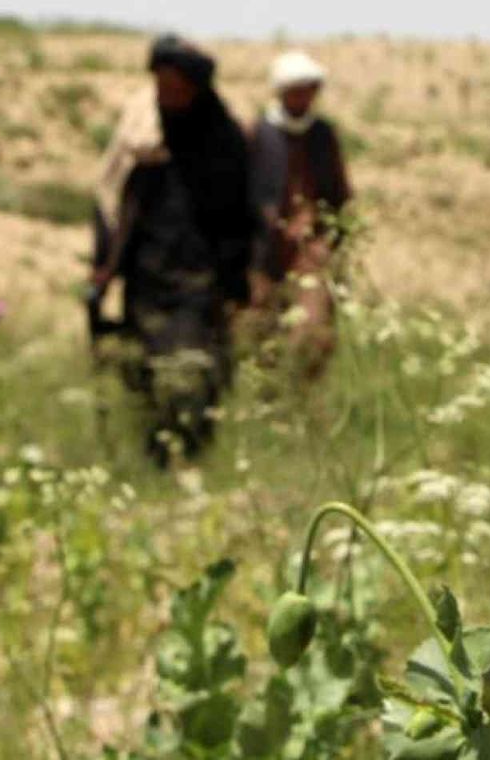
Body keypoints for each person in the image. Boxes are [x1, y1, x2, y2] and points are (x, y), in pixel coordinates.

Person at [90, 35, 256, 463]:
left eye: (176, 87)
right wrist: (105, 267)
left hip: (200, 282)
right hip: (147, 277)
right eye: (161, 85)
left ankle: (191, 462)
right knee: (144, 375)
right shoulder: (143, 140)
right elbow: (113, 203)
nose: (167, 96)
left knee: (193, 378)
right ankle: (158, 461)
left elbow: (242, 216)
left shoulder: (224, 141)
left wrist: (235, 280)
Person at [246, 50, 353, 377]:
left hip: (311, 251)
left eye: (309, 90)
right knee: (259, 331)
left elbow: (339, 194)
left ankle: (301, 394)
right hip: (265, 250)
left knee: (312, 334)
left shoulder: (323, 135)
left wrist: (330, 237)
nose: (303, 97)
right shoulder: (260, 133)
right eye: (296, 90)